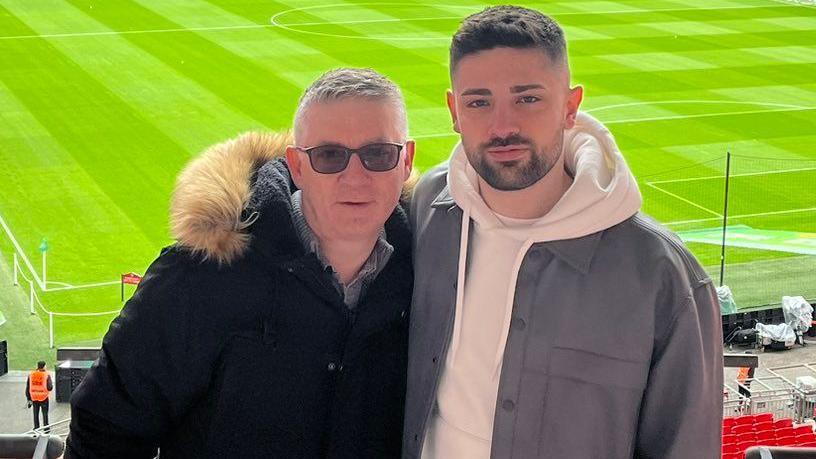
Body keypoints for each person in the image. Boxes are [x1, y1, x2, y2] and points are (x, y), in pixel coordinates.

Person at [403, 6, 723, 458]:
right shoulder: (429, 208)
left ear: (571, 106)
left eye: (527, 98)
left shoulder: (663, 278)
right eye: (479, 102)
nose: (503, 126)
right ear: (454, 111)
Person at [65, 68, 415, 458]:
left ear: (406, 161)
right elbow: (104, 427)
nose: (355, 177)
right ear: (297, 166)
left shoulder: (428, 275)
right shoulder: (199, 276)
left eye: (378, 154)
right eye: (330, 156)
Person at [26, 360, 53, 431]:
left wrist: (29, 399)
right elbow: (50, 387)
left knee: (35, 413)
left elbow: (28, 387)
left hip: (34, 397)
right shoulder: (46, 375)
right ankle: (46, 428)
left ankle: (36, 428)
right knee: (45, 414)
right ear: (44, 366)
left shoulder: (31, 375)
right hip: (43, 397)